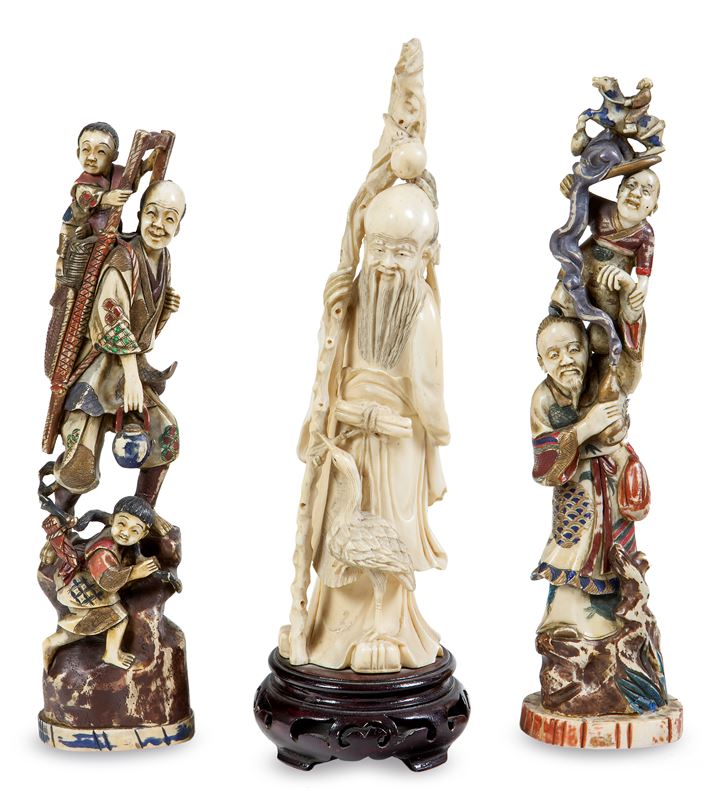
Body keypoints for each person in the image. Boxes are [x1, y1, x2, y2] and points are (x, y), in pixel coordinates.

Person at [279, 182, 449, 673]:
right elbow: (330, 363)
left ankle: (387, 628)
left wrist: (435, 430)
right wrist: (330, 314)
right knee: (336, 523)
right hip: (346, 433)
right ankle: (329, 627)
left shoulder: (421, 309)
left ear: (425, 256)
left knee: (387, 530)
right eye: (378, 248)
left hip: (397, 442)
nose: (387, 263)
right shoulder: (354, 299)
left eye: (402, 251)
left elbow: (427, 388)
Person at [53, 181, 185, 519]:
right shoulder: (123, 257)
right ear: (139, 215)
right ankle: (59, 519)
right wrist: (130, 375)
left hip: (132, 370)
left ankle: (140, 518)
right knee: (79, 460)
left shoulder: (163, 259)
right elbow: (110, 318)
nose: (159, 225)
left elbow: (143, 329)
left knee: (165, 434)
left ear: (179, 227)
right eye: (152, 214)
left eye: (170, 218)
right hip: (100, 371)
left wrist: (165, 310)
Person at [530, 315, 650, 640]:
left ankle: (618, 621)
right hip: (577, 491)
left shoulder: (605, 374)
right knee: (573, 550)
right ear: (541, 362)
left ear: (587, 349)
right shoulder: (543, 399)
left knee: (617, 554)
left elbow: (631, 367)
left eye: (573, 349)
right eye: (554, 354)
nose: (566, 360)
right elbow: (543, 461)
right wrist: (586, 427)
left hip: (613, 481)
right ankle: (566, 624)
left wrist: (632, 314)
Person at [42, 496, 160, 671]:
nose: (125, 533)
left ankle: (66, 641)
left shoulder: (117, 537)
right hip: (82, 588)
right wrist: (135, 572)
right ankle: (57, 643)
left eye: (135, 531)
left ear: (143, 534)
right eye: (122, 524)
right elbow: (107, 581)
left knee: (106, 618)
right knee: (116, 617)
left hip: (91, 584)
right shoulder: (103, 550)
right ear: (113, 520)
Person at [553, 170, 660, 355]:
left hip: (609, 284)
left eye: (646, 191)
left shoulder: (645, 233)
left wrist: (642, 284)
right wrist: (571, 187)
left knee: (602, 337)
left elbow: (645, 266)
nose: (635, 193)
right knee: (563, 305)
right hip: (582, 268)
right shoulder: (602, 208)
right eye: (630, 185)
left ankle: (600, 350)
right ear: (618, 192)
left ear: (653, 208)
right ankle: (567, 341)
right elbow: (580, 196)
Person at [56, 122, 154, 279]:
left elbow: (131, 175)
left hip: (110, 231)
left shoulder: (117, 172)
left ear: (113, 156)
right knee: (75, 268)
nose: (91, 157)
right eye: (86, 149)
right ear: (78, 152)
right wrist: (106, 198)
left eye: (101, 151)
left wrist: (148, 164)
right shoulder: (82, 183)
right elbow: (86, 196)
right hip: (78, 228)